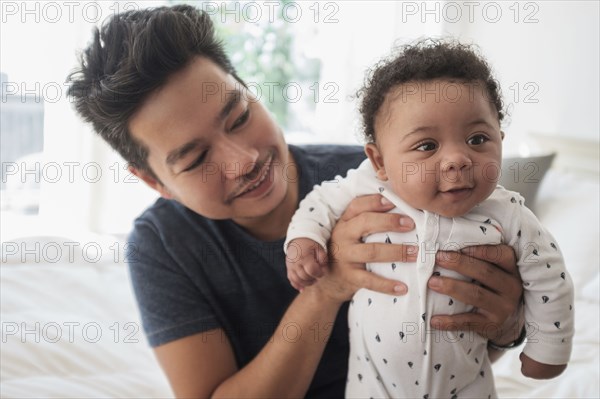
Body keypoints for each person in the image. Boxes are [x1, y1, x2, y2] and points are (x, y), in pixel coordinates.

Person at [67, 5, 525, 398]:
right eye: (197, 158)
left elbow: (462, 344)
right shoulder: (163, 245)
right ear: (154, 182)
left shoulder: (383, 181)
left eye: (240, 116)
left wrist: (506, 328)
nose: (243, 160)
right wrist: (325, 290)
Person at [285, 40, 574, 398]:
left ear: (500, 140)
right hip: (373, 385)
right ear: (380, 162)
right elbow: (320, 202)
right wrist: (304, 240)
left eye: (477, 138)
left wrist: (548, 350)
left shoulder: (508, 214)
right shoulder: (369, 186)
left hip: (466, 386)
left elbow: (551, 276)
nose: (457, 158)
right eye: (427, 146)